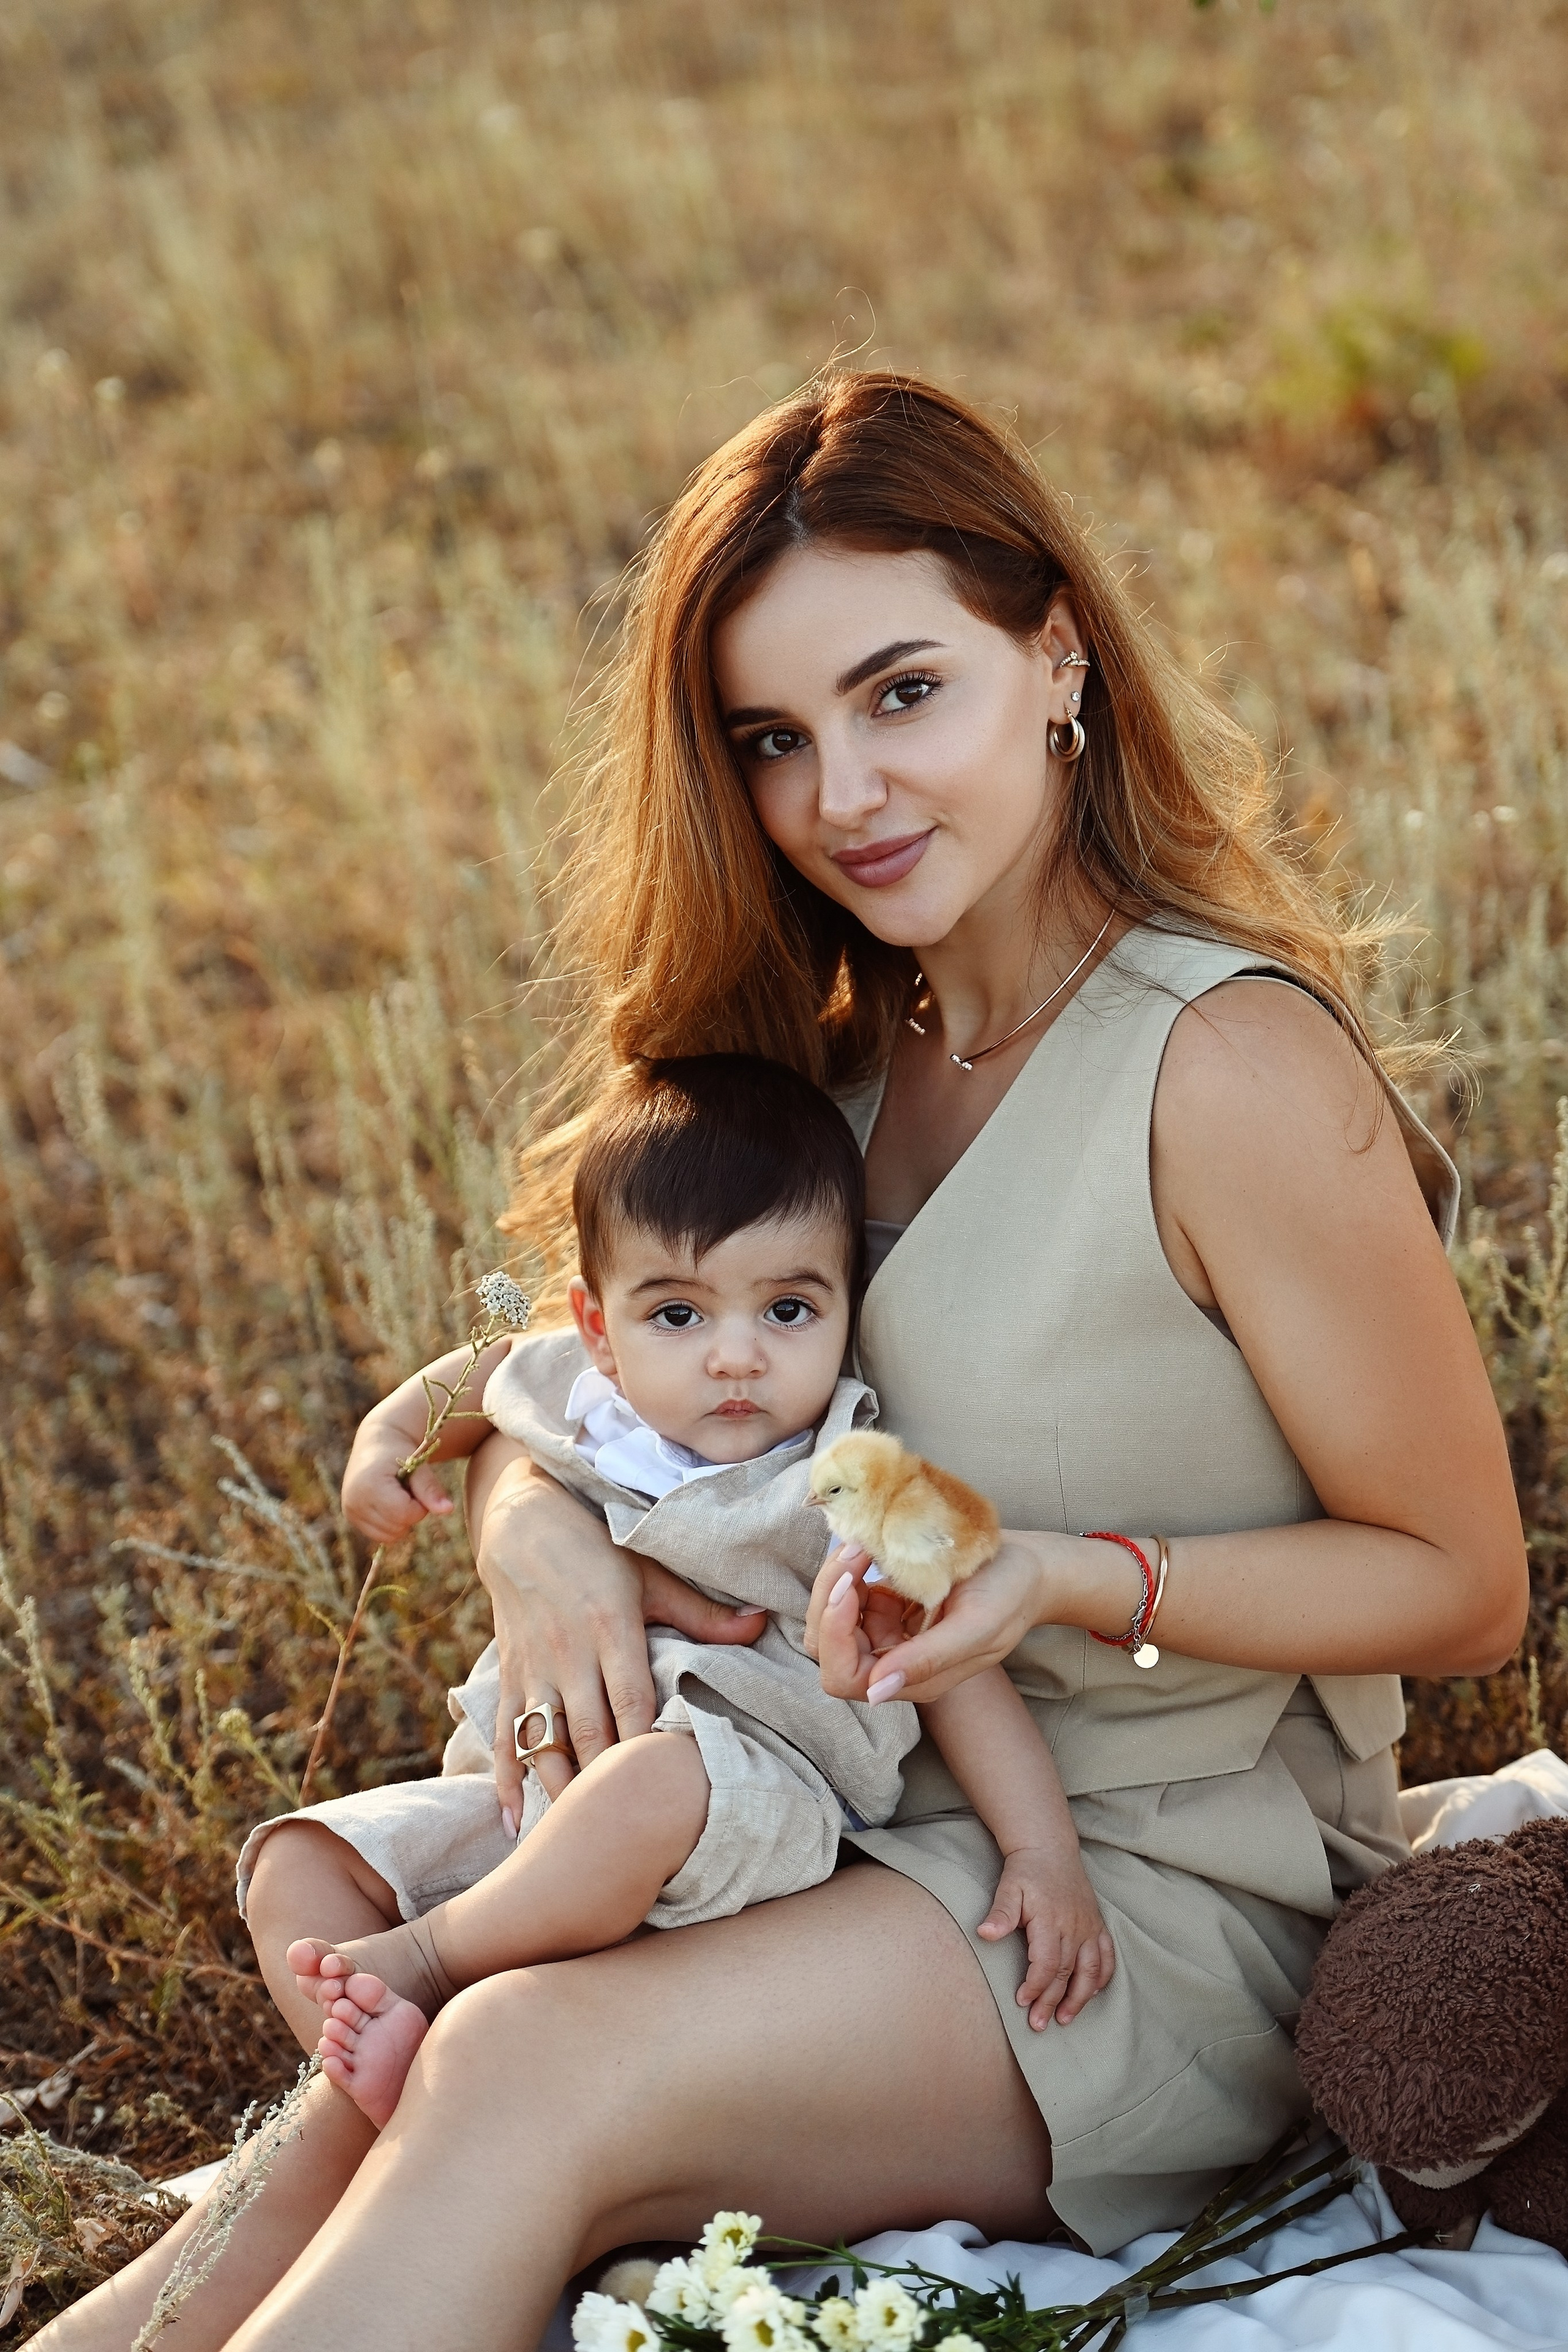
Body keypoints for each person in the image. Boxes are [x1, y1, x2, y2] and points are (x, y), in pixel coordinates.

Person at [36, 371, 1526, 2352]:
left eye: (906, 693)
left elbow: (1463, 1584)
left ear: (1056, 657)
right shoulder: (837, 1048)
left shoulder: (1227, 1064)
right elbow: (646, 1383)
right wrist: (532, 1530)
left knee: (520, 2061)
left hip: (1130, 1904)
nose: (844, 795)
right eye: (773, 738)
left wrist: (1066, 1578)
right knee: (345, 2108)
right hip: (824, 1809)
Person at [237, 1054, 1112, 2130]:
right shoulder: (586, 1395)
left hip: (745, 1793)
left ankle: (428, 1961)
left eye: (788, 1309)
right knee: (295, 1865)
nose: (736, 1358)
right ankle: (399, 2110)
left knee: (650, 1787)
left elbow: (956, 1670)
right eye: (679, 1316)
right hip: (538, 1791)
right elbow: (485, 1373)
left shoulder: (845, 1477)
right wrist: (386, 1444)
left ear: (850, 1305)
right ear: (599, 1329)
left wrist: (1043, 1852)